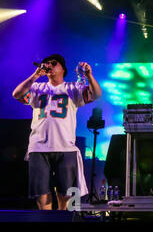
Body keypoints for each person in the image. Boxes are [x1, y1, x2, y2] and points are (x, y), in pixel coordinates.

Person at [12, 54, 102, 210]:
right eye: (46, 63)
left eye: (54, 63)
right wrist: (35, 75)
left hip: (65, 147)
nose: (49, 66)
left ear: (63, 68)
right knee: (41, 192)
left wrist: (88, 75)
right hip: (39, 146)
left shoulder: (73, 88)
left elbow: (96, 94)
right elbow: (16, 94)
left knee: (65, 193)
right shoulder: (37, 87)